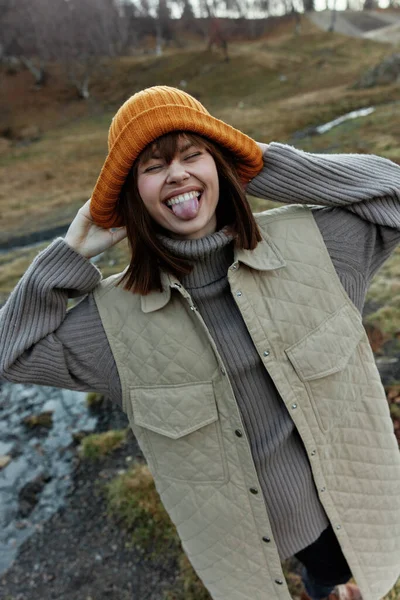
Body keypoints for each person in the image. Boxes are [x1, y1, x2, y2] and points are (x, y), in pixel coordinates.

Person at [1, 85, 400, 600]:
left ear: (221, 167)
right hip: (237, 550)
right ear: (131, 194)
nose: (177, 174)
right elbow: (11, 354)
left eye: (194, 155)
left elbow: (393, 193)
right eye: (153, 166)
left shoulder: (319, 248)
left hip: (351, 502)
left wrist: (259, 165)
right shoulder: (111, 322)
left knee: (329, 573)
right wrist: (70, 254)